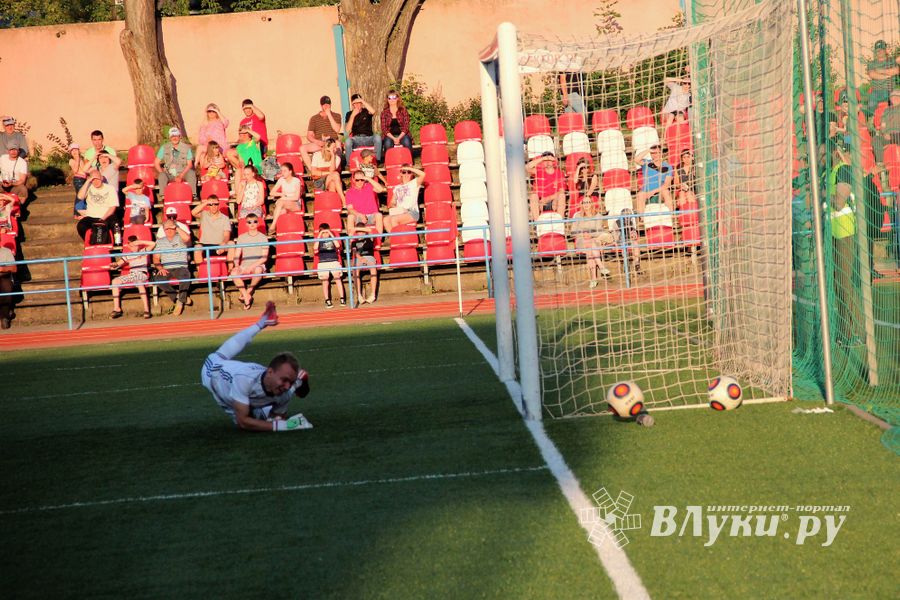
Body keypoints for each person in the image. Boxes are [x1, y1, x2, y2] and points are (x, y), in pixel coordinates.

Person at [200, 301, 312, 432]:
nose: (287, 386)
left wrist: (280, 422)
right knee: (220, 355)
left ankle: (297, 381)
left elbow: (277, 418)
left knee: (260, 421)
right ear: (270, 372)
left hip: (242, 387)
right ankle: (261, 323)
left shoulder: (283, 392)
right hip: (213, 372)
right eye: (285, 380)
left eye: (291, 382)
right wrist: (284, 425)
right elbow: (244, 422)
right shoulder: (244, 379)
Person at [151, 217, 193, 316]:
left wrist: (176, 227)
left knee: (185, 276)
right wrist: (160, 268)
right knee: (158, 279)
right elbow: (156, 258)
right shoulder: (160, 241)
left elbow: (187, 239)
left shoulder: (180, 238)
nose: (169, 230)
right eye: (166, 229)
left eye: (171, 228)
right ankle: (178, 297)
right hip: (167, 267)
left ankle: (180, 303)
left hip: (181, 266)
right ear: (163, 230)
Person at [570, 196, 613, 287]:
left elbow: (599, 231)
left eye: (588, 202)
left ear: (592, 203)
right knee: (590, 244)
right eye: (584, 203)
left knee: (591, 246)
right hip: (581, 240)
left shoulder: (598, 215)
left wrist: (591, 235)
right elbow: (573, 232)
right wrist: (584, 235)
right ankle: (601, 267)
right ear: (581, 205)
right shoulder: (577, 216)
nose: (586, 205)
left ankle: (593, 279)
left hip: (594, 240)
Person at [109, 235, 155, 319]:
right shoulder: (127, 255)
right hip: (132, 274)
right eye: (132, 245)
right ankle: (117, 308)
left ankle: (146, 310)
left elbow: (153, 244)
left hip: (142, 274)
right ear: (129, 246)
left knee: (139, 283)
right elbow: (118, 264)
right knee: (115, 281)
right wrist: (114, 264)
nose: (134, 247)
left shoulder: (143, 251)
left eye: (135, 245)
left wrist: (139, 242)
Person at [229, 213, 269, 310]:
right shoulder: (241, 238)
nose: (252, 224)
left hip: (258, 264)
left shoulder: (263, 237)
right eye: (249, 222)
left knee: (258, 270)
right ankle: (246, 296)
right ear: (246, 224)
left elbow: (264, 258)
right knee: (234, 273)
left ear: (258, 223)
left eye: (254, 222)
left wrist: (251, 267)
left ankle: (248, 292)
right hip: (244, 265)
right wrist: (237, 265)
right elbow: (237, 255)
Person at [75, 168, 118, 241]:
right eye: (93, 180)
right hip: (91, 217)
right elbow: (80, 197)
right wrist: (87, 181)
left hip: (106, 216)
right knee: (81, 226)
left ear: (101, 178)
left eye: (97, 179)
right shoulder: (88, 187)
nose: (95, 182)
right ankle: (89, 243)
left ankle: (115, 246)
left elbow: (112, 207)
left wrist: (102, 219)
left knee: (114, 224)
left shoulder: (110, 188)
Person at [301, 96, 343, 168]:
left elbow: (337, 129)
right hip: (319, 143)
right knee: (302, 148)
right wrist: (317, 142)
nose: (326, 106)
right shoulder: (314, 118)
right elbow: (309, 135)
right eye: (324, 104)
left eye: (328, 104)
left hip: (332, 143)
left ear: (330, 105)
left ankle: (337, 168)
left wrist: (329, 114)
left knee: (338, 143)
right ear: (321, 105)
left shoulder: (336, 116)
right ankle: (312, 170)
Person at [155, 127, 197, 198]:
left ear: (180, 136)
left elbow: (189, 164)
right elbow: (156, 163)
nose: (174, 138)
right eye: (172, 136)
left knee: (191, 173)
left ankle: (193, 195)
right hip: (169, 173)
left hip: (183, 172)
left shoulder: (186, 148)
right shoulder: (164, 147)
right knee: (162, 175)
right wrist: (162, 172)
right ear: (169, 137)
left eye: (176, 136)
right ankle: (163, 196)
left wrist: (181, 175)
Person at [191, 195, 231, 266]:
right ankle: (201, 274)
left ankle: (231, 272)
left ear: (218, 204)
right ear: (208, 205)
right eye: (211, 204)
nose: (214, 206)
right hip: (205, 245)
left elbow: (226, 235)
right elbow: (193, 212)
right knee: (197, 248)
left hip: (219, 245)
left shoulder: (225, 218)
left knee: (232, 244)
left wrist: (223, 243)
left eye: (216, 204)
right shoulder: (204, 214)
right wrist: (206, 202)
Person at [635, 145, 674, 213]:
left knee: (666, 192)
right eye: (653, 153)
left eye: (657, 152)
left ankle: (671, 216)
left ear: (661, 153)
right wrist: (648, 150)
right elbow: (636, 159)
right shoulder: (647, 163)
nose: (655, 155)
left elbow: (666, 184)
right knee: (640, 195)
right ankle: (642, 220)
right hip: (646, 190)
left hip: (660, 191)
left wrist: (653, 192)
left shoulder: (668, 167)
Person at [384, 165, 424, 232]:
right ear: (400, 174)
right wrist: (394, 206)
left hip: (412, 212)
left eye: (409, 172)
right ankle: (394, 239)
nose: (406, 174)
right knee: (386, 220)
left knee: (394, 219)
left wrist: (409, 168)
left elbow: (423, 174)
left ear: (412, 174)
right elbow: (392, 202)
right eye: (404, 172)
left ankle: (398, 240)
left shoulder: (414, 183)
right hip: (400, 211)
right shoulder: (397, 188)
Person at [527, 153, 565, 220]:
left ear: (553, 161)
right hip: (541, 203)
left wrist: (548, 198)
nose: (547, 162)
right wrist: (542, 159)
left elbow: (562, 191)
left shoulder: (559, 173)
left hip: (554, 202)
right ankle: (537, 223)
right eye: (545, 161)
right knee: (533, 196)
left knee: (562, 196)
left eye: (549, 160)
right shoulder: (538, 171)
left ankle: (560, 222)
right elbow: (527, 167)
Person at [865, 40, 899, 117]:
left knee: (896, 103)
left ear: (885, 50)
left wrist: (880, 71)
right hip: (877, 91)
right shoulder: (872, 63)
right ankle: (872, 121)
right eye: (877, 50)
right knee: (871, 105)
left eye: (881, 49)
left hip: (891, 90)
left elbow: (896, 71)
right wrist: (888, 75)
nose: (879, 51)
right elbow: (873, 75)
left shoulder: (891, 60)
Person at [314, 223, 345, 308]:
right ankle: (327, 300)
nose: (325, 234)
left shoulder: (332, 239)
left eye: (326, 232)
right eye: (323, 233)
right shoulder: (319, 241)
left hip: (333, 261)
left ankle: (342, 298)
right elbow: (315, 248)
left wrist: (330, 234)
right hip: (323, 263)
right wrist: (320, 235)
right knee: (325, 279)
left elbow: (338, 245)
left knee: (337, 277)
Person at [345, 93, 382, 162]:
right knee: (348, 141)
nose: (358, 105)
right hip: (356, 139)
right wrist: (353, 115)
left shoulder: (366, 111)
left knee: (378, 137)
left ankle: (377, 160)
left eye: (359, 103)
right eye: (355, 103)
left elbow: (373, 111)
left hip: (369, 138)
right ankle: (349, 164)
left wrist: (363, 101)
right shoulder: (349, 114)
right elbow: (347, 129)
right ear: (353, 104)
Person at [268, 162, 303, 233]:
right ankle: (280, 230)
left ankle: (273, 225)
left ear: (290, 171)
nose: (282, 173)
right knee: (282, 212)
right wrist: (281, 194)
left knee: (280, 202)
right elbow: (271, 192)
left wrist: (283, 198)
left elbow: (296, 197)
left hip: (295, 204)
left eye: (284, 171)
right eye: (281, 171)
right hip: (284, 204)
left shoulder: (296, 181)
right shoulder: (281, 180)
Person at [349, 217, 378, 304]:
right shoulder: (354, 242)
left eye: (362, 232)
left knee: (373, 269)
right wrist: (360, 258)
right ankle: (359, 295)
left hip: (369, 256)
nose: (360, 233)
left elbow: (370, 230)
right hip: (359, 257)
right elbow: (354, 251)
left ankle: (373, 294)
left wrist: (359, 229)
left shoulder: (369, 238)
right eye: (358, 232)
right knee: (355, 270)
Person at [309, 138, 344, 203]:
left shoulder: (337, 158)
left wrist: (333, 156)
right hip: (319, 181)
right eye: (333, 147)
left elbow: (332, 170)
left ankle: (333, 205)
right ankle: (343, 200)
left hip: (330, 179)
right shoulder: (317, 155)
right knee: (335, 174)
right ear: (327, 147)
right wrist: (328, 173)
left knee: (333, 183)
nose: (335, 149)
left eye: (335, 147)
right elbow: (313, 172)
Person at [380, 90, 413, 154]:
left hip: (402, 134)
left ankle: (409, 161)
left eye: (394, 98)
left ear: (397, 98)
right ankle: (389, 161)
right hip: (390, 135)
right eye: (389, 98)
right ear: (387, 99)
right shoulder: (384, 113)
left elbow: (406, 126)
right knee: (387, 143)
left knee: (406, 141)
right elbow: (384, 128)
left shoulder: (403, 111)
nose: (392, 100)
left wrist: (398, 138)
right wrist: (394, 138)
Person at [874, 88, 900, 162]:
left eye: (896, 96)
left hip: (898, 135)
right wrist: (884, 133)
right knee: (876, 139)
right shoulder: (886, 110)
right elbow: (883, 125)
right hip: (887, 136)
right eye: (892, 96)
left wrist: (891, 135)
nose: (894, 98)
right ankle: (880, 163)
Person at [69, 143, 89, 214]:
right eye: (72, 150)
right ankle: (77, 213)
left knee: (83, 195)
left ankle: (82, 211)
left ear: (79, 151)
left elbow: (84, 169)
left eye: (76, 150)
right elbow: (75, 170)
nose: (74, 152)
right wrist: (77, 159)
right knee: (80, 196)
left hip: (84, 179)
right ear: (70, 153)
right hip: (78, 179)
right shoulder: (71, 161)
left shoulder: (81, 159)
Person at [0, 241, 15, 329]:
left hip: (4, 276)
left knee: (5, 286)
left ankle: (4, 316)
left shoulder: (6, 251)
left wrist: (2, 269)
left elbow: (13, 268)